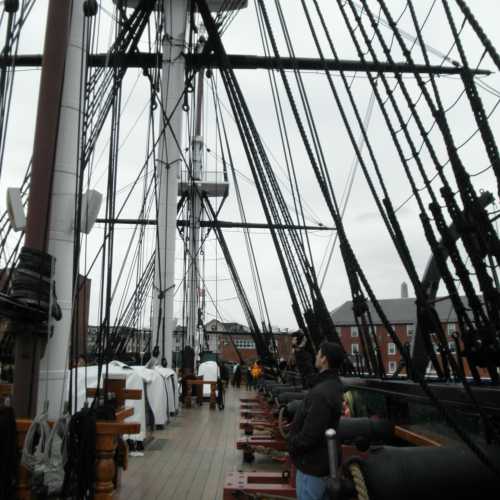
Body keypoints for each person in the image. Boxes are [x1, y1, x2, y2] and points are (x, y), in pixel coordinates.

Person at [288, 341, 345, 500]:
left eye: (318, 353)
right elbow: (310, 377)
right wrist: (299, 352)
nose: (316, 356)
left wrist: (292, 444)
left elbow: (310, 434)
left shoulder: (322, 394)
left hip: (312, 466)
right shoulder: (330, 386)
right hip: (320, 462)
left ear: (324, 359)